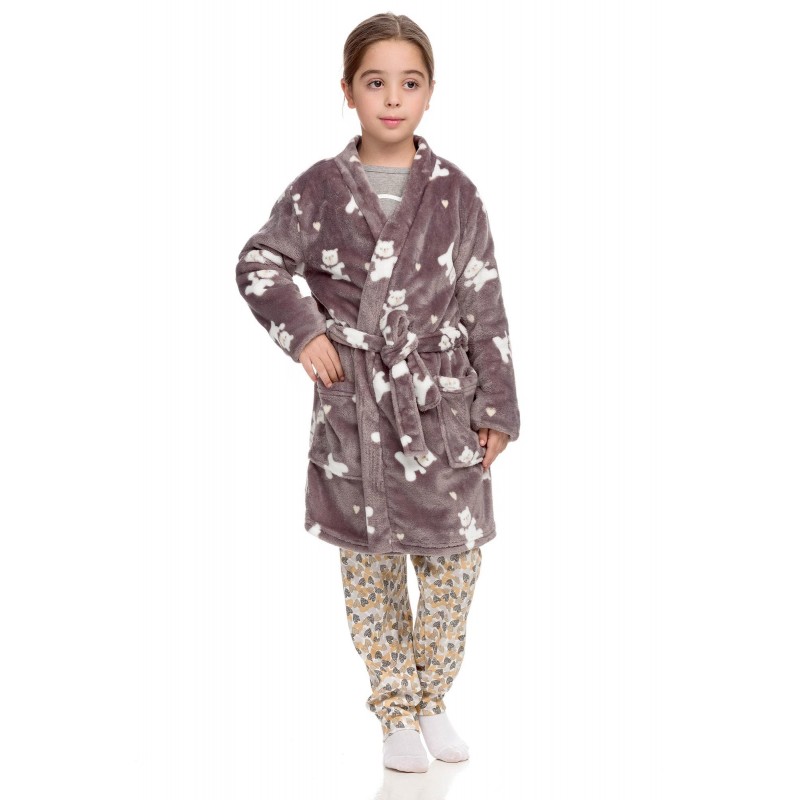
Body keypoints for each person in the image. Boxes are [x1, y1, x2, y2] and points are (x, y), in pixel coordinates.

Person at [234, 12, 521, 773]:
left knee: (455, 564)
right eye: (375, 82)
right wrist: (307, 333)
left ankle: (432, 697)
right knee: (371, 567)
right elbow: (258, 262)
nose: (393, 98)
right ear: (348, 91)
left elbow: (484, 302)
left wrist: (496, 406)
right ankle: (394, 709)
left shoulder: (457, 194)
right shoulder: (319, 190)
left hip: (439, 406)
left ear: (430, 92)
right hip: (357, 405)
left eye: (409, 82)